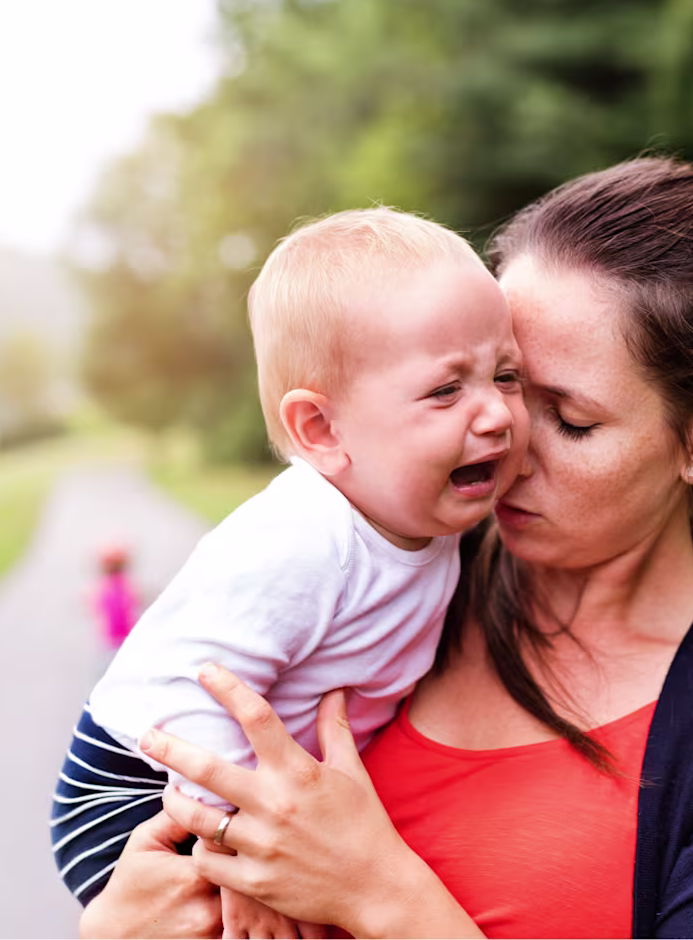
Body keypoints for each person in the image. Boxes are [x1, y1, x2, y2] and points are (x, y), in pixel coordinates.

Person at [69, 158, 693, 938]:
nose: (505, 436)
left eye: (571, 419)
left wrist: (380, 893)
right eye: (503, 382)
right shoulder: (395, 582)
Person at [51, 208, 528, 938]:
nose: (496, 413)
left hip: (241, 783)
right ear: (322, 430)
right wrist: (232, 844)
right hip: (135, 784)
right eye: (445, 391)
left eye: (506, 375)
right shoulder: (304, 537)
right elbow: (199, 690)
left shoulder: (433, 517)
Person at [93, 545, 139, 652]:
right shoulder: (123, 585)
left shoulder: (106, 586)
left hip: (116, 637)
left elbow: (98, 607)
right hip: (123, 636)